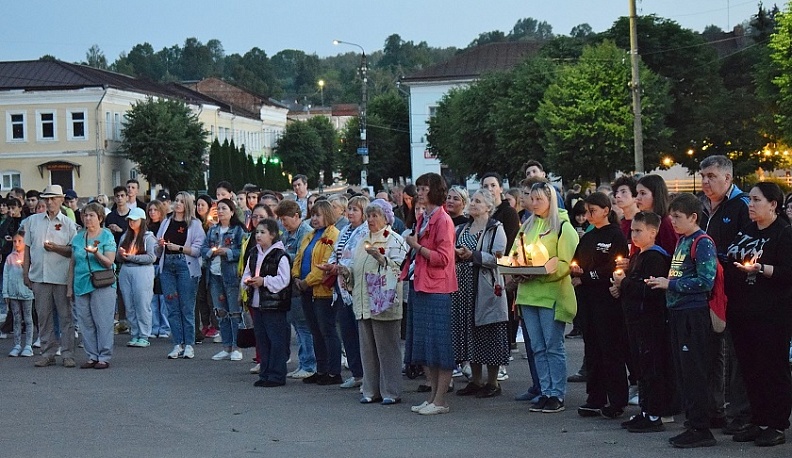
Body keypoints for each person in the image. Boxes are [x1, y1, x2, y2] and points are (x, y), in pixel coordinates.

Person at [645, 193, 717, 448]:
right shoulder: (682, 241)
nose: (673, 222)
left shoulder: (702, 242)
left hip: (692, 314)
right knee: (683, 371)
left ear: (693, 217)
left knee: (694, 371)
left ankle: (701, 428)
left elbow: (705, 281)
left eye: (678, 217)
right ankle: (692, 423)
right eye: (671, 216)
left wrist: (670, 284)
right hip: (677, 313)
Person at [723, 182, 792, 447]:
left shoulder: (784, 233)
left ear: (773, 204)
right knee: (750, 368)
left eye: (756, 200)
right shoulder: (748, 230)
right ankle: (758, 419)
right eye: (750, 200)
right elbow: (732, 255)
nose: (750, 205)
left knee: (772, 368)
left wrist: (761, 268)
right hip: (743, 311)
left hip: (772, 314)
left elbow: (788, 273)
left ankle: (775, 424)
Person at [512, 181, 579, 413]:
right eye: (532, 198)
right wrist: (517, 270)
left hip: (550, 294)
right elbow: (515, 253)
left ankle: (557, 393)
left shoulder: (563, 227)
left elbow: (565, 263)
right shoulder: (527, 225)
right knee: (538, 347)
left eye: (539, 198)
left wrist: (541, 273)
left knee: (553, 345)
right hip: (528, 294)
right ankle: (545, 389)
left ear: (551, 200)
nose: (534, 202)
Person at [698, 155, 752, 435]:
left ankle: (741, 412)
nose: (706, 182)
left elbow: (745, 248)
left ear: (728, 178)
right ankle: (716, 409)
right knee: (714, 351)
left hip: (736, 290)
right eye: (703, 176)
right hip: (710, 291)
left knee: (736, 353)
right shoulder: (704, 207)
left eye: (711, 176)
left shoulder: (742, 206)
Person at [402, 172, 458, 416]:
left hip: (437, 288)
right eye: (419, 188)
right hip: (421, 284)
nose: (420, 192)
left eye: (424, 188)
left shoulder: (443, 220)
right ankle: (433, 396)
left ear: (435, 189)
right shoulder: (424, 217)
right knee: (427, 346)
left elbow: (444, 258)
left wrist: (417, 247)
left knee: (440, 346)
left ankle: (441, 399)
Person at [614, 211, 675, 433]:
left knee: (652, 368)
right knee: (641, 367)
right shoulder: (639, 256)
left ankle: (654, 414)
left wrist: (625, 283)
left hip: (650, 322)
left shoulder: (655, 258)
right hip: (636, 321)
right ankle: (645, 410)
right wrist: (620, 286)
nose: (634, 235)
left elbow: (649, 290)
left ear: (653, 232)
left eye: (639, 231)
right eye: (632, 230)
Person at [572, 192, 630, 419]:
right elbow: (578, 261)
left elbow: (614, 265)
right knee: (592, 348)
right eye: (587, 211)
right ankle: (595, 396)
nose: (588, 215)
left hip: (608, 300)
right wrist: (575, 271)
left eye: (592, 210)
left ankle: (617, 399)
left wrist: (587, 276)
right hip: (588, 300)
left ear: (606, 210)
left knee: (611, 349)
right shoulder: (587, 237)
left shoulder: (614, 235)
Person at [452, 189, 510, 399]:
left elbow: (499, 258)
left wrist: (473, 255)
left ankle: (492, 382)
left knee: (489, 331)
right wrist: (457, 255)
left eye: (478, 201)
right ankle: (475, 380)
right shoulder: (461, 228)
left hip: (485, 287)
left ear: (488, 206)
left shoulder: (495, 229)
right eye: (472, 200)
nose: (473, 204)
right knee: (470, 332)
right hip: (463, 288)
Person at [352, 199, 407, 404]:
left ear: (386, 218)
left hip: (384, 302)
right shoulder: (363, 239)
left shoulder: (394, 239)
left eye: (375, 215)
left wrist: (382, 259)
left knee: (387, 348)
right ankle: (370, 389)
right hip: (364, 301)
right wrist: (345, 272)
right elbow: (356, 266)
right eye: (368, 216)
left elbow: (400, 269)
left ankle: (391, 391)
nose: (371, 220)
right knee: (367, 348)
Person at [24, 185, 78, 368]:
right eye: (47, 199)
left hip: (61, 276)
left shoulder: (68, 223)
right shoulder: (32, 221)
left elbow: (73, 250)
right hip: (39, 275)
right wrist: (26, 272)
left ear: (61, 200)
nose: (50, 202)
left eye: (53, 198)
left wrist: (56, 248)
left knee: (65, 317)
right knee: (43, 317)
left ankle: (68, 353)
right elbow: (27, 249)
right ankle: (47, 352)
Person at [321, 196, 369, 389]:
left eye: (354, 210)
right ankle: (356, 372)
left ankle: (367, 374)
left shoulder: (364, 232)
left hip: (356, 286)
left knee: (360, 333)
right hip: (341, 287)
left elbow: (358, 257)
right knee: (347, 331)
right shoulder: (346, 231)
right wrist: (331, 264)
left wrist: (339, 267)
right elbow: (336, 251)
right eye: (348, 209)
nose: (350, 213)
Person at [292, 200, 341, 384]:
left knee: (327, 329)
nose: (314, 218)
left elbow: (326, 264)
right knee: (315, 330)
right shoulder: (310, 235)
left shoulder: (333, 235)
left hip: (322, 290)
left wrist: (307, 281)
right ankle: (321, 369)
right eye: (312, 215)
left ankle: (334, 371)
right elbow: (299, 256)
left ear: (327, 215)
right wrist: (296, 276)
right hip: (306, 290)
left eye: (318, 215)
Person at [156, 192, 206, 360]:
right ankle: (177, 343)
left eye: (181, 202)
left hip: (185, 265)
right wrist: (160, 245)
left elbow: (199, 250)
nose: (177, 204)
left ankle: (189, 343)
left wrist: (179, 247)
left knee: (187, 306)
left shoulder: (194, 224)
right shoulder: (166, 222)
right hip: (167, 264)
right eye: (176, 201)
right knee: (171, 306)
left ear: (187, 205)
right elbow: (158, 249)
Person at [242, 218, 292, 387]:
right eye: (257, 232)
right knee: (262, 339)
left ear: (272, 235)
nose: (258, 235)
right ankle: (265, 373)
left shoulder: (280, 255)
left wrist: (264, 281)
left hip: (274, 304)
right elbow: (247, 272)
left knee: (276, 340)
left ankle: (277, 375)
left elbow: (284, 280)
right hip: (257, 303)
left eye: (263, 232)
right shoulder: (254, 253)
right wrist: (247, 281)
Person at [68, 202, 117, 369]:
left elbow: (109, 262)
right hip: (81, 283)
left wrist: (96, 253)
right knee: (85, 322)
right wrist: (69, 287)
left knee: (103, 321)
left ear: (100, 218)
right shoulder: (77, 237)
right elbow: (73, 263)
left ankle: (104, 355)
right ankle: (91, 355)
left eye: (91, 215)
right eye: (85, 215)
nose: (87, 218)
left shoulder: (106, 236)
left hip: (102, 282)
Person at [200, 198, 246, 361]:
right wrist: (211, 252)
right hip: (214, 275)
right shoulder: (213, 230)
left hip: (231, 275)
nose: (220, 211)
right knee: (221, 312)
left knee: (234, 312)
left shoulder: (238, 230)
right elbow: (204, 248)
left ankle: (236, 347)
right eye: (218, 208)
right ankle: (226, 346)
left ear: (232, 211)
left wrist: (227, 252)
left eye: (224, 208)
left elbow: (243, 251)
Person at [276, 200, 316, 379]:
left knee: (303, 326)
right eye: (281, 220)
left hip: (300, 286)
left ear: (296, 216)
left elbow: (299, 257)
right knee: (298, 327)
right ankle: (303, 362)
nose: (283, 223)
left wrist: (281, 256)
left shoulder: (305, 233)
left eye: (285, 219)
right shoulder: (285, 233)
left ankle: (309, 364)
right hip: (289, 287)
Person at [116, 207, 157, 348]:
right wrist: (121, 254)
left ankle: (144, 334)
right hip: (126, 270)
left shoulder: (148, 238)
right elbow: (117, 257)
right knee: (129, 303)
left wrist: (132, 257)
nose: (131, 223)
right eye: (130, 220)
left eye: (134, 220)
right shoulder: (125, 236)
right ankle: (134, 333)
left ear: (142, 220)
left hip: (142, 271)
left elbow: (151, 257)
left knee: (142, 303)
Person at [4, 231, 34, 357]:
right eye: (15, 241)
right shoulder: (10, 258)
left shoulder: (30, 256)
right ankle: (17, 344)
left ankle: (28, 345)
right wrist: (5, 293)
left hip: (26, 292)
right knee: (16, 319)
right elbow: (6, 275)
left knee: (28, 318)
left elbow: (33, 273)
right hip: (13, 293)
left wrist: (25, 267)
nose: (17, 244)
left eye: (20, 241)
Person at [195, 194, 218, 342]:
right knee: (200, 296)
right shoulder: (195, 223)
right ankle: (205, 323)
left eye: (203, 205)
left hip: (211, 263)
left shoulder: (212, 224)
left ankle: (215, 325)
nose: (200, 207)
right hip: (199, 264)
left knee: (211, 296)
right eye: (198, 205)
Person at [635, 175, 678, 256]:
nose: (638, 198)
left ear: (656, 195)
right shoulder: (642, 221)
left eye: (643, 193)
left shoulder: (665, 223)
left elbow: (669, 254)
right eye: (637, 193)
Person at [147, 200, 170, 339]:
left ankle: (165, 327)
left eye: (155, 210)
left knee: (163, 297)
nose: (152, 212)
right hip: (150, 265)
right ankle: (154, 326)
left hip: (161, 264)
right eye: (150, 210)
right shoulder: (146, 227)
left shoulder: (165, 226)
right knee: (153, 298)